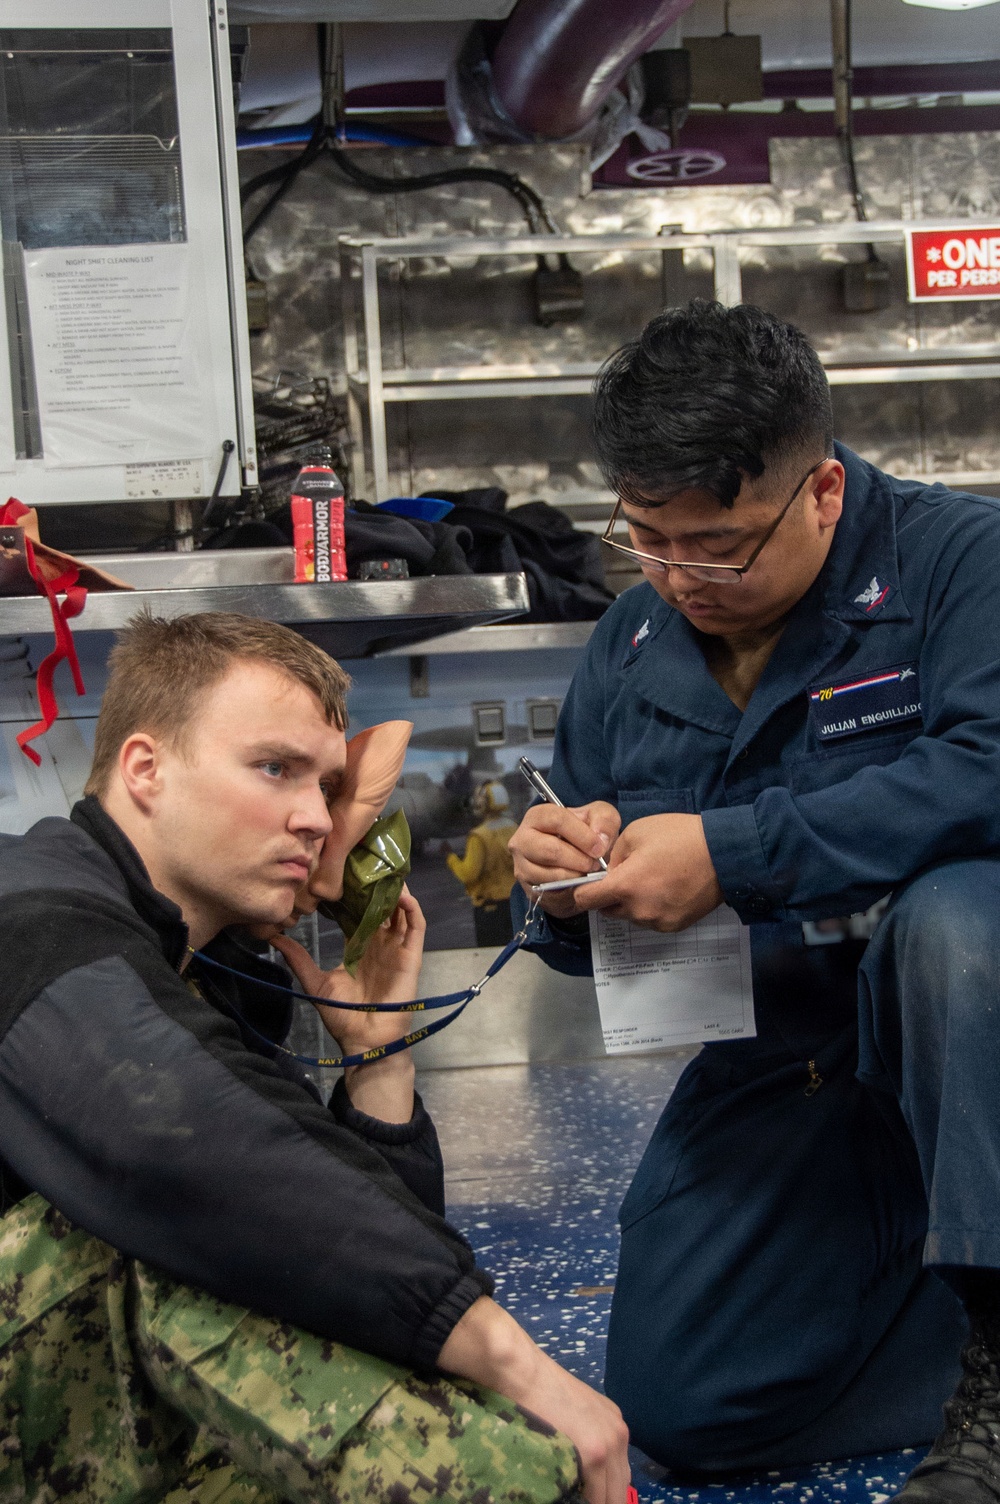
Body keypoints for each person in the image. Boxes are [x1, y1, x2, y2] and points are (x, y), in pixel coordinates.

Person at [508, 300, 1000, 1498]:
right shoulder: (629, 645)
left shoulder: (962, 564)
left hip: (971, 1037)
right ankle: (955, 1320)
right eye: (645, 538)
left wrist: (732, 853)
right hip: (790, 1065)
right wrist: (559, 891)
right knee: (687, 1409)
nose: (680, 576)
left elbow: (986, 769)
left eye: (718, 544)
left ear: (821, 491)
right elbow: (581, 938)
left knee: (958, 925)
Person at [0, 610, 628, 1504]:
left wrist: (379, 1057)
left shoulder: (213, 968)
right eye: (274, 769)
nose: (313, 819)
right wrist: (514, 1360)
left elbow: (354, 1272)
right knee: (185, 1217)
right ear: (145, 769)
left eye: (328, 789)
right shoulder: (31, 910)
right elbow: (186, 1148)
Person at [445, 780, 519, 946]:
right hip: (515, 904)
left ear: (484, 802)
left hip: (490, 910)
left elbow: (468, 874)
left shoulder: (479, 836)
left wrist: (452, 859)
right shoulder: (513, 828)